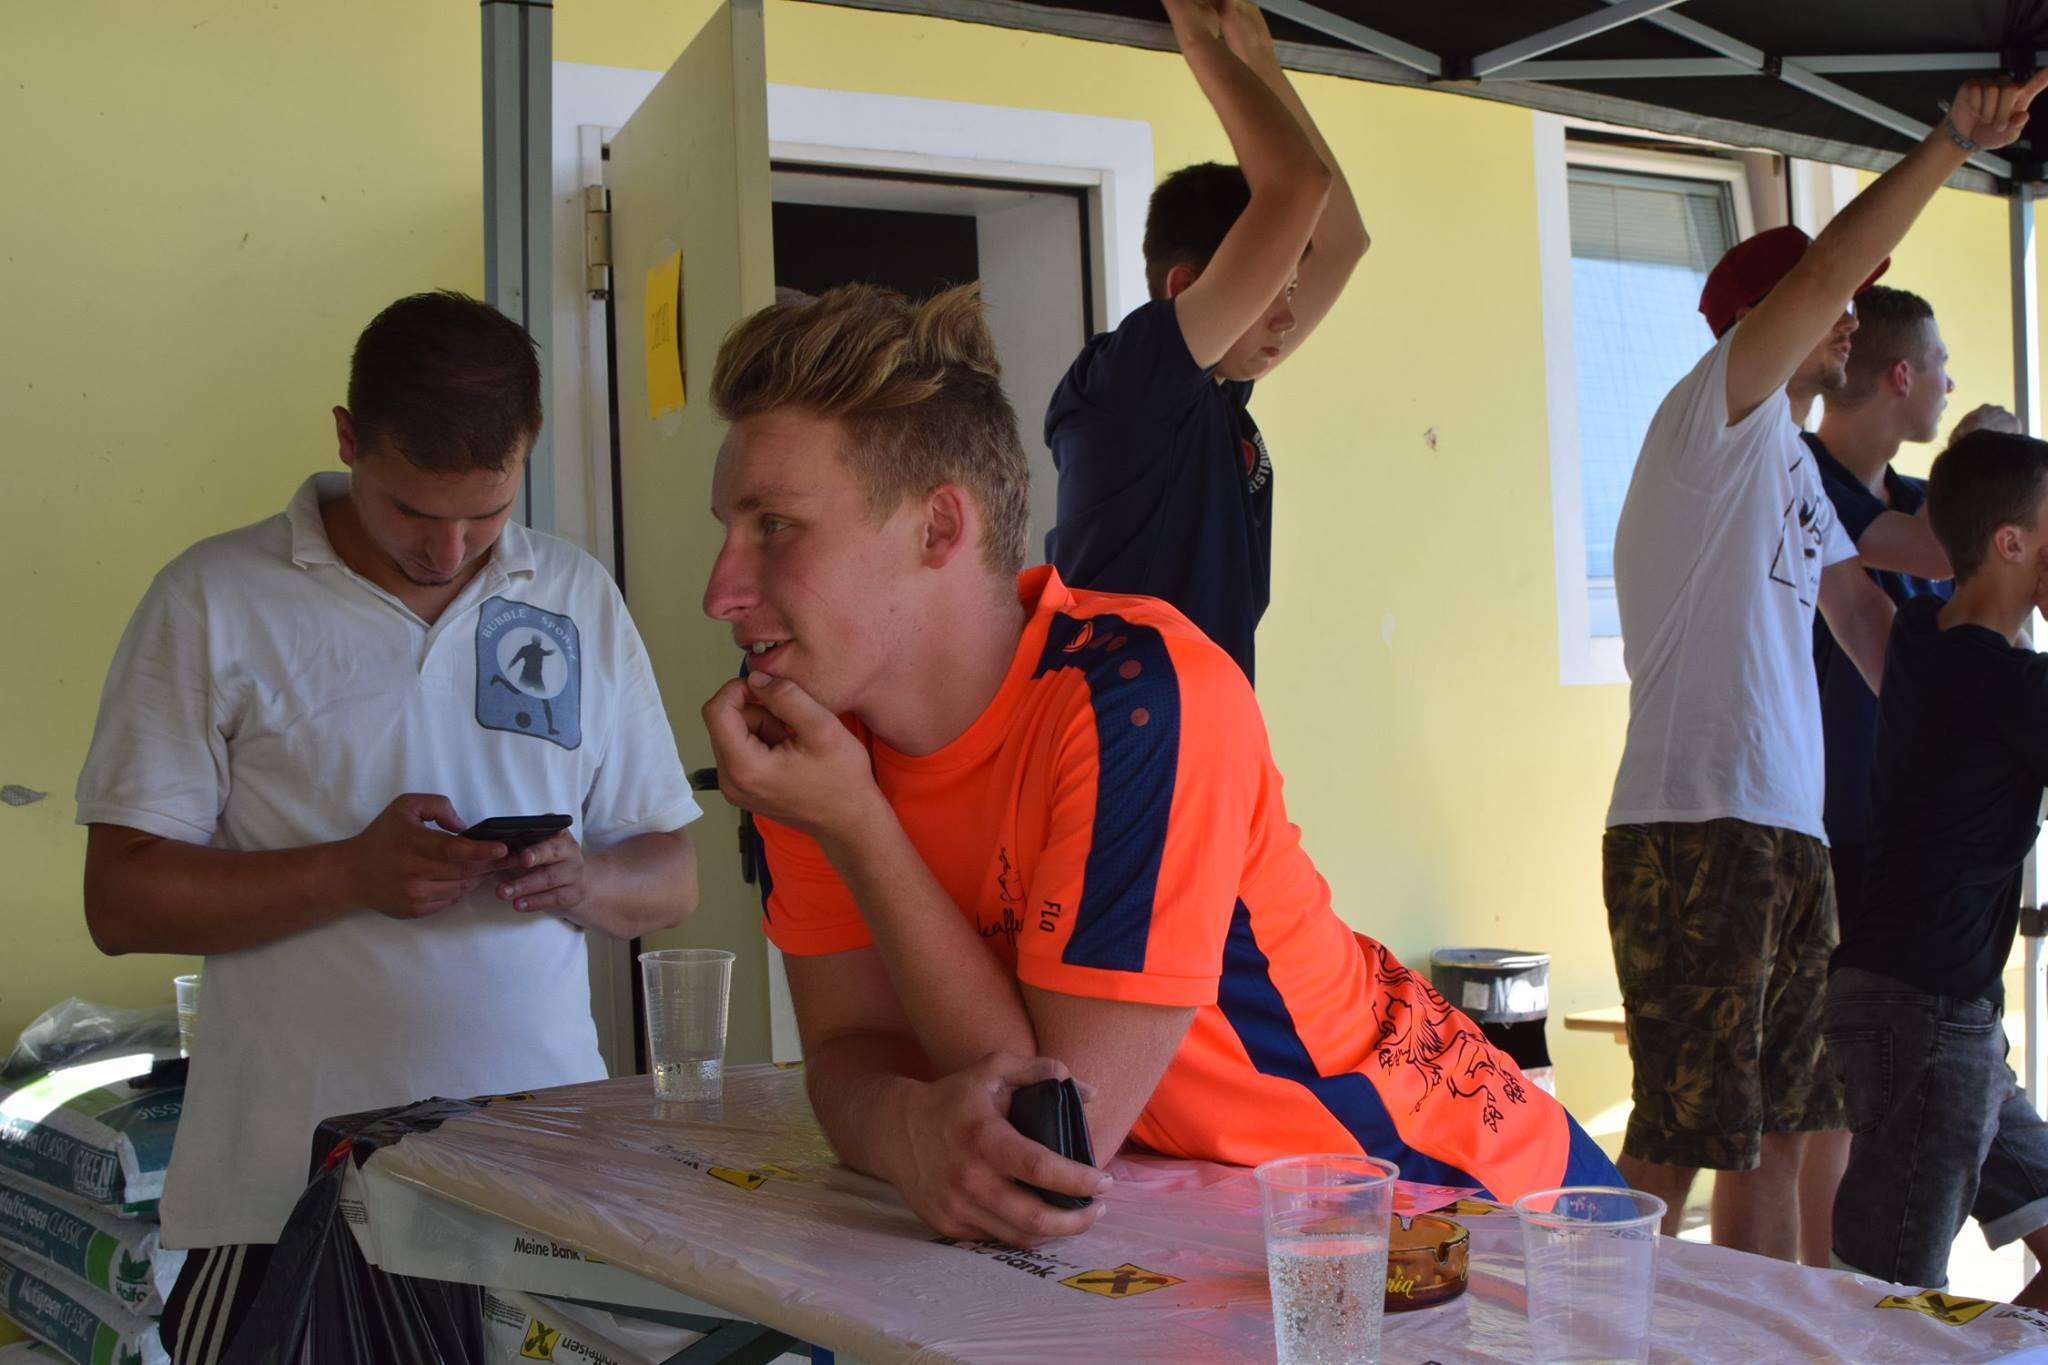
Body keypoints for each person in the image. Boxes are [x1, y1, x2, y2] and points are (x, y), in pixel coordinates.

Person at [700, 282, 1617, 1247]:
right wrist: (901, 1128)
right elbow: (851, 1051)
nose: (722, 590)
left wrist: (855, 825)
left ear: (938, 527)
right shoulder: (819, 747)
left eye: (775, 526)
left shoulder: (1138, 699)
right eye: (727, 529)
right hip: (1227, 1236)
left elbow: (1050, 1139)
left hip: (1462, 1201)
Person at [75, 292, 702, 1363]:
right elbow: (119, 900)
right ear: (346, 438)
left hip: (545, 1187)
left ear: (527, 451)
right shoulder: (213, 598)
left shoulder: (575, 595)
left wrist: (586, 883)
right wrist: (348, 875)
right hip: (284, 1198)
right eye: (414, 510)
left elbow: (670, 872)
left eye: (487, 513)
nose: (449, 547)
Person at [1601, 71, 2048, 1262]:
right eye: (1831, 301)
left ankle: (1754, 1338)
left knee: (1783, 1132)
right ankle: (1584, 1323)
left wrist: (2005, 511)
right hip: (1697, 822)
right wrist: (1949, 142)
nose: (1848, 319)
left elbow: (1886, 591)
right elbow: (1829, 271)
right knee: (1683, 1128)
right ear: (1763, 323)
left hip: (1785, 834)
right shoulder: (1713, 417)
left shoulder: (1791, 467)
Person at [1043, 0, 1367, 683]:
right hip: (1130, 730)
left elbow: (1342, 241)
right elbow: (1298, 186)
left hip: (1206, 722)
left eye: (1288, 290)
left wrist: (1262, 61)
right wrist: (1200, 43)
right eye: (1272, 291)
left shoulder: (1214, 392)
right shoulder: (1130, 384)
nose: (1288, 319)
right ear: (1186, 286)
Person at [1800, 285, 2003, 1265]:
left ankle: (1854, 1292)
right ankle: (1824, 1294)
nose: (1948, 382)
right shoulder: (1802, 475)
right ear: (1898, 375)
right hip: (1828, 821)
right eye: (1939, 364)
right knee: (1826, 1096)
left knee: (1897, 1088)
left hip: (1908, 839)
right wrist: (1993, 467)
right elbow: (1952, 547)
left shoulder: (1924, 500)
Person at [1826, 428, 2048, 1305]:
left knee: (1897, 1306)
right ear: (2012, 542)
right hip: (1927, 1016)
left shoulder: (1921, 636)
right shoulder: (2013, 689)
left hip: (1945, 1017)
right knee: (1886, 1308)